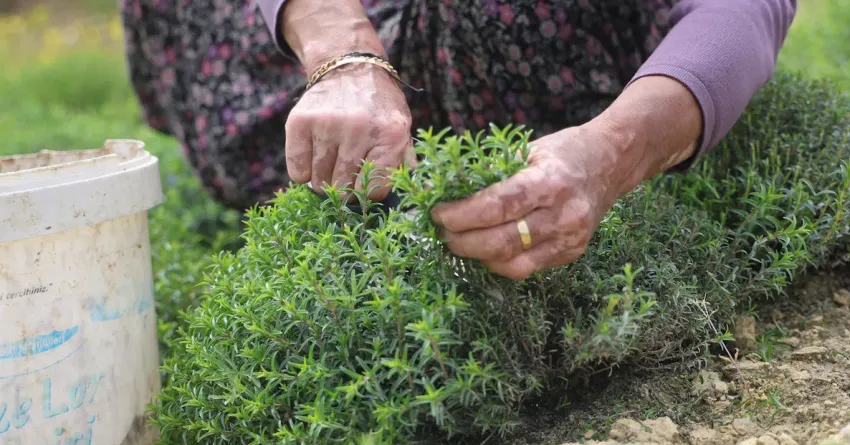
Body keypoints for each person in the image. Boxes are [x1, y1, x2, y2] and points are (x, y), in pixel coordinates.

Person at [120, 0, 796, 280]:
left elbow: (741, 10)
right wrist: (346, 56)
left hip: (562, 75)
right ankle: (314, 182)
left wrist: (611, 153)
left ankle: (536, 182)